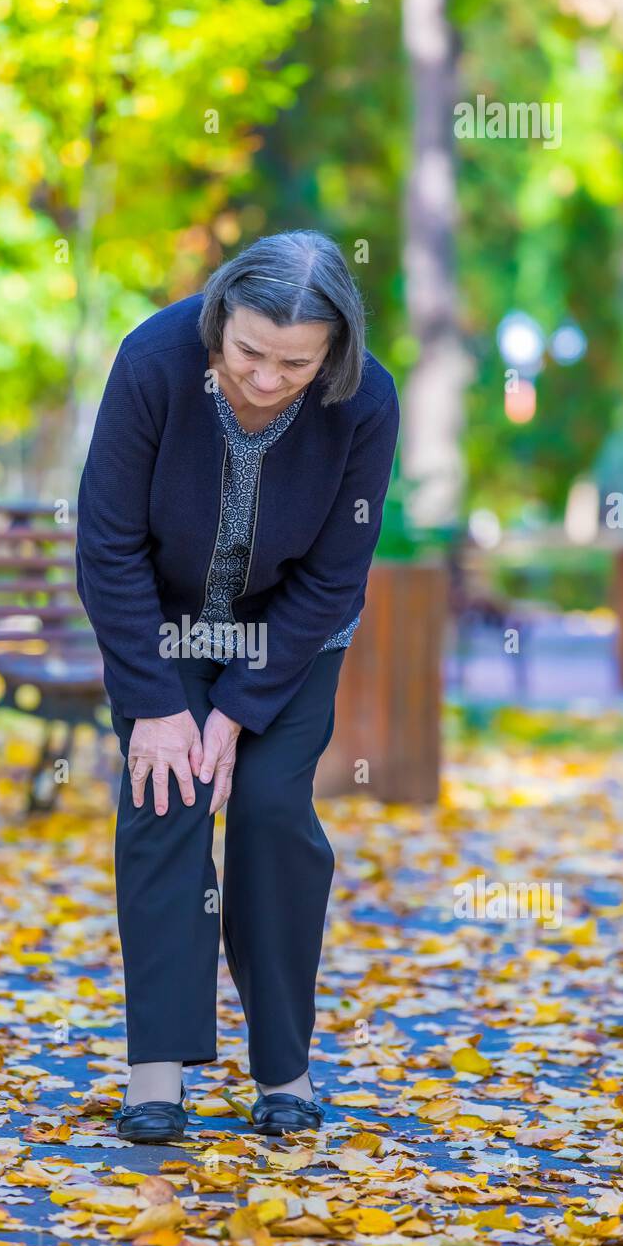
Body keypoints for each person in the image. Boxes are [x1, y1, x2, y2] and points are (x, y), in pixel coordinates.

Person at [75, 230, 400, 1140]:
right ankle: (157, 1074)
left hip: (294, 630)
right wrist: (157, 704)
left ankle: (284, 1069)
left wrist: (241, 710)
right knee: (164, 796)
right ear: (219, 321)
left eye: (295, 363)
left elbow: (338, 573)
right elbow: (106, 544)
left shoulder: (366, 400)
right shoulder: (153, 362)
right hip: (161, 617)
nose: (266, 379)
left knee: (267, 810)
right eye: (250, 352)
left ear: (334, 349)